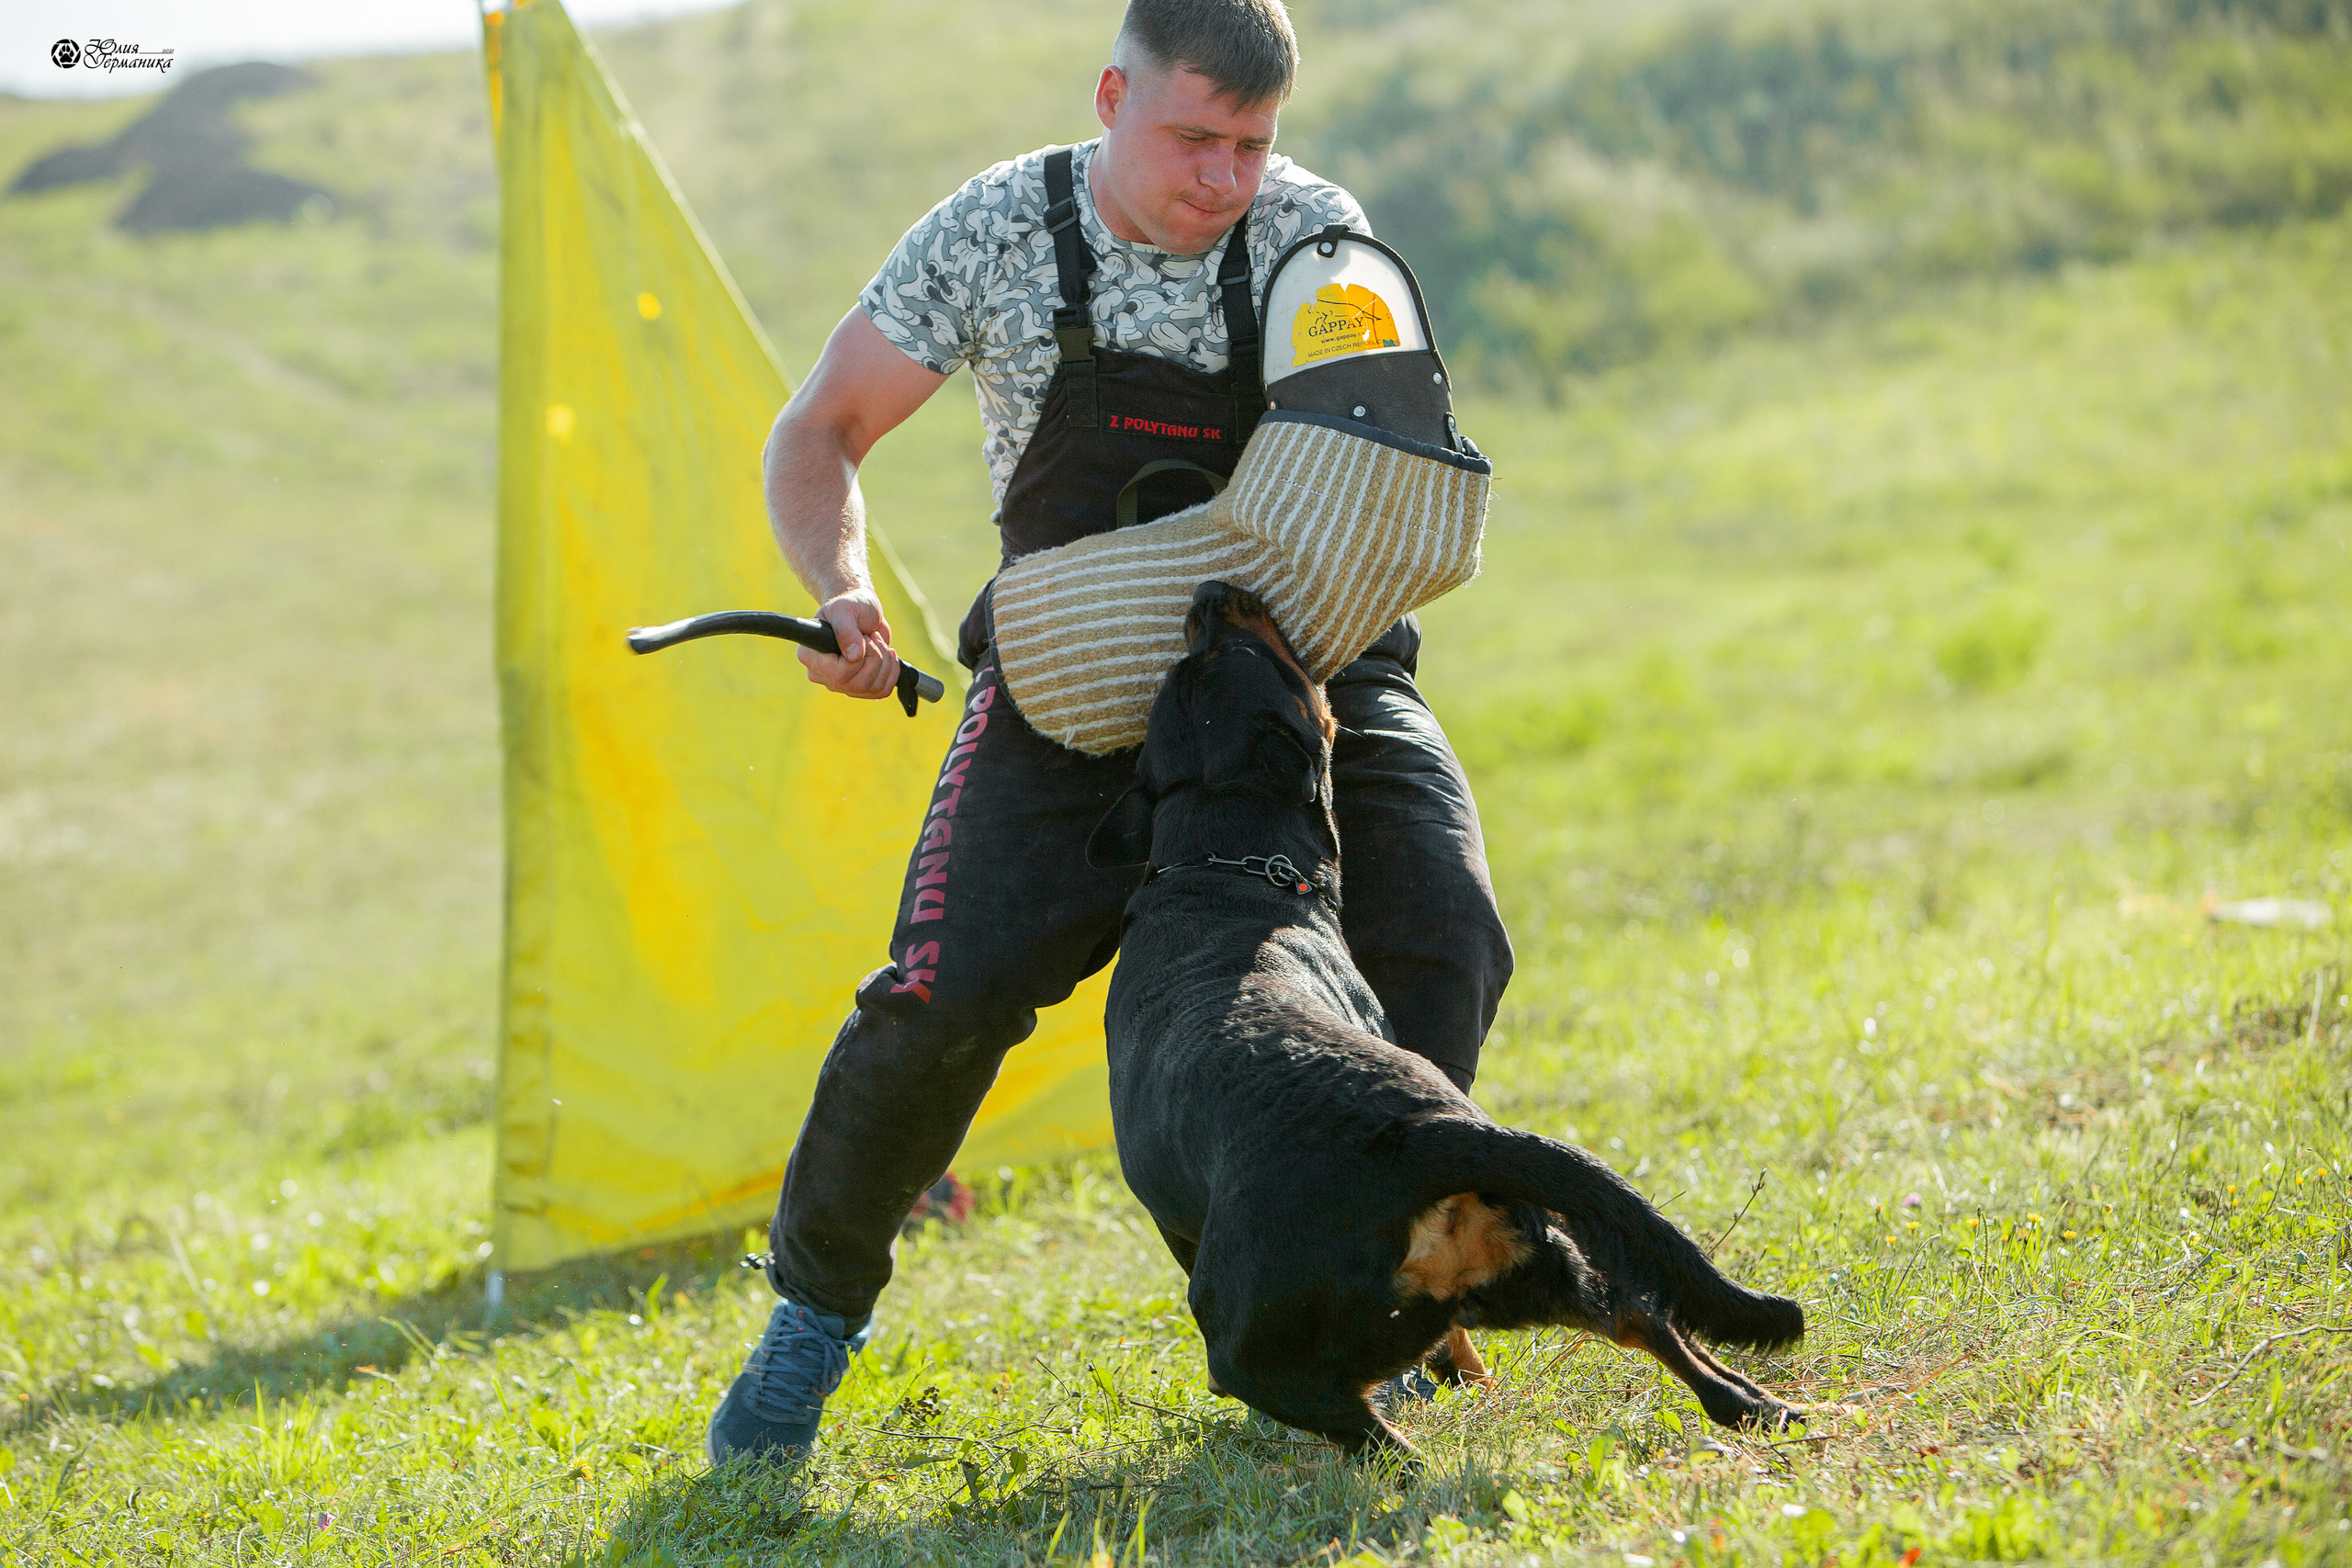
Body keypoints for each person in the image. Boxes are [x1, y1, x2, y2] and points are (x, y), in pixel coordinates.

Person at [707, 0, 1514, 1466]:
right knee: (940, 997)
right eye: (1192, 137)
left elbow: (1391, 464)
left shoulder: (1319, 242)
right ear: (1110, 96)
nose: (1224, 179)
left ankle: (1384, 1275)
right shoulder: (996, 232)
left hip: (1299, 664)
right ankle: (809, 1325)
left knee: (1445, 929)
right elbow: (818, 428)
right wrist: (841, 587)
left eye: (1251, 146)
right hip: (1072, 676)